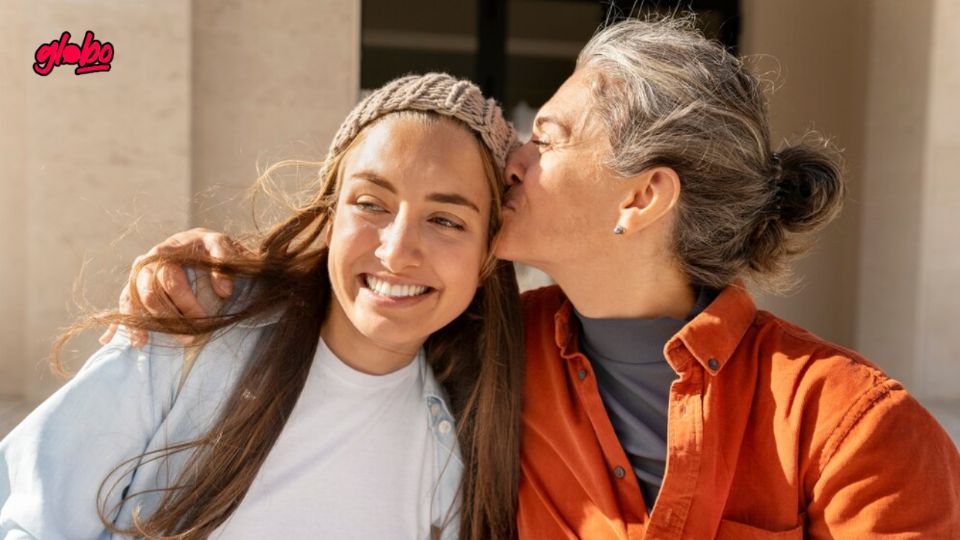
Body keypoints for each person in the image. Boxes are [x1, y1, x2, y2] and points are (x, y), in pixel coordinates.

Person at [114, 16, 960, 539]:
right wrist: (219, 281)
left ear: (640, 199)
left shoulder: (854, 430)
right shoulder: (483, 345)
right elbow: (364, 282)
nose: (511, 155)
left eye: (548, 138)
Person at [0, 73, 525, 539]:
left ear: (486, 253)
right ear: (328, 214)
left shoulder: (461, 454)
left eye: (446, 220)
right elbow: (32, 515)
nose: (396, 250)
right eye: (370, 203)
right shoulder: (197, 322)